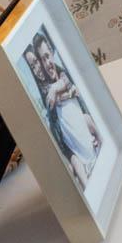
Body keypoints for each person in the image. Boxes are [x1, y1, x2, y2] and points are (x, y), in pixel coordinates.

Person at [27, 31, 102, 190]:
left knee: (88, 119)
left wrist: (60, 88)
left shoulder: (60, 73)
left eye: (47, 56)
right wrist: (62, 90)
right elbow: (55, 95)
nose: (45, 63)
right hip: (77, 154)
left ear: (52, 54)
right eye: (40, 60)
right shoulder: (45, 88)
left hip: (92, 143)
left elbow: (65, 80)